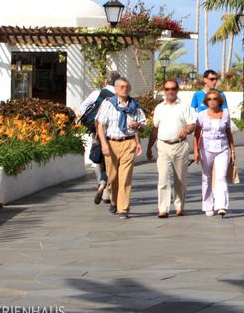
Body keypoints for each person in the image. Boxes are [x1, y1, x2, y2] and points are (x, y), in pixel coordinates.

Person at [95, 78, 147, 219]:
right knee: (112, 177)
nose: (124, 89)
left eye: (127, 87)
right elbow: (100, 126)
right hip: (111, 143)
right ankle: (114, 200)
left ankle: (123, 208)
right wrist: (104, 144)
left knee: (125, 178)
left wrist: (137, 126)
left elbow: (143, 125)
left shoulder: (134, 105)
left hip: (128, 143)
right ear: (116, 89)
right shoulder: (108, 104)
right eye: (121, 87)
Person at [146, 79, 196, 218]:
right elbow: (155, 129)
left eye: (173, 88)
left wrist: (186, 130)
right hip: (163, 146)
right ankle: (163, 209)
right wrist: (149, 148)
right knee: (163, 178)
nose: (170, 91)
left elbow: (192, 125)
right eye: (167, 89)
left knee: (180, 179)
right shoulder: (159, 108)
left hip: (180, 146)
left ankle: (179, 206)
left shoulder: (184, 106)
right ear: (164, 91)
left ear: (177, 89)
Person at [76, 70, 120, 205]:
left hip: (97, 131)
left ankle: (101, 185)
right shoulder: (121, 96)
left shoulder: (97, 94)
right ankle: (108, 191)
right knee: (112, 163)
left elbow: (81, 109)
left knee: (98, 159)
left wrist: (91, 122)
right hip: (113, 134)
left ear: (106, 82)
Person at [193, 89, 236, 217]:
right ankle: (208, 205)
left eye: (215, 99)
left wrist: (232, 151)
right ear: (206, 101)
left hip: (222, 148)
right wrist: (196, 151)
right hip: (206, 149)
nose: (212, 101)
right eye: (210, 99)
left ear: (219, 100)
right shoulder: (201, 115)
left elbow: (229, 133)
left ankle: (221, 205)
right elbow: (196, 135)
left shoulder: (226, 114)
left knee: (221, 176)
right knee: (206, 177)